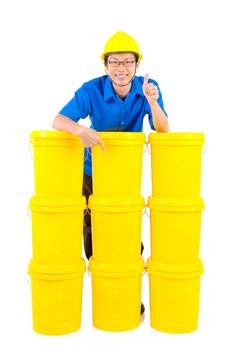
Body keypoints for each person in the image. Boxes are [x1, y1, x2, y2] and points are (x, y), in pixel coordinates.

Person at [52, 31, 169, 315]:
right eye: (114, 62)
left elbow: (163, 129)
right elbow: (58, 120)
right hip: (92, 174)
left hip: (125, 177)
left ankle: (127, 296)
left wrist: (153, 103)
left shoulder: (148, 89)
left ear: (136, 65)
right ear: (106, 65)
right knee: (95, 240)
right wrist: (81, 130)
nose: (121, 68)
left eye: (127, 62)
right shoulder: (91, 90)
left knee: (128, 240)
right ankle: (107, 299)